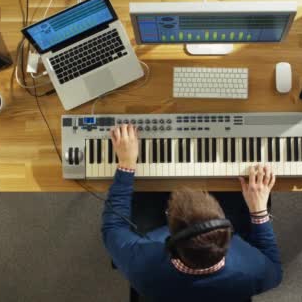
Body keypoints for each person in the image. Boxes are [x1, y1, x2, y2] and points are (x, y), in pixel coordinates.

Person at [102, 124, 282, 301]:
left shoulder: (141, 268)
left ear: (171, 239)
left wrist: (126, 164)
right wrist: (258, 210)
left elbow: (113, 226)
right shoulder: (253, 272)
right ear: (226, 230)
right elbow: (275, 269)